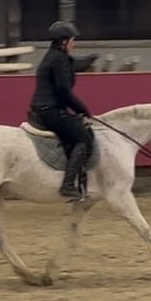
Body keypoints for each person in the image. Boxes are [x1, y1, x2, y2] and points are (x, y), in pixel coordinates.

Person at [29, 20, 93, 199]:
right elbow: (63, 91)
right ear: (64, 41)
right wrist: (84, 111)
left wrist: (88, 60)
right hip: (51, 110)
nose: (74, 43)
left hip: (42, 107)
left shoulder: (52, 55)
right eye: (73, 40)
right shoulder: (60, 59)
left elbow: (71, 66)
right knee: (83, 138)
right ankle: (67, 184)